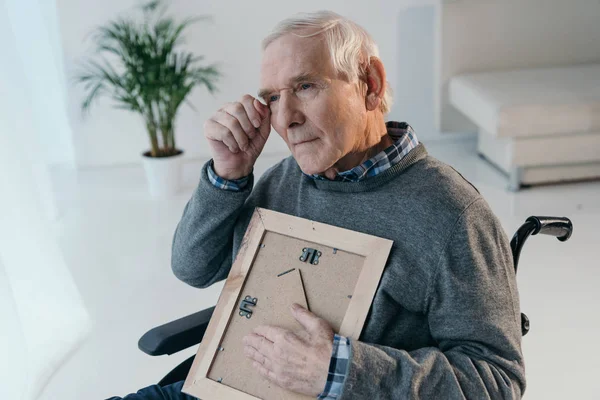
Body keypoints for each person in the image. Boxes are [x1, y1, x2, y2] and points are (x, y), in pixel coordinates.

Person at [111, 10, 525, 400]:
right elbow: (193, 267)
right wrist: (228, 175)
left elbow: (496, 379)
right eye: (272, 98)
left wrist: (342, 370)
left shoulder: (454, 215)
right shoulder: (284, 181)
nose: (285, 117)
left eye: (306, 86)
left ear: (370, 83)